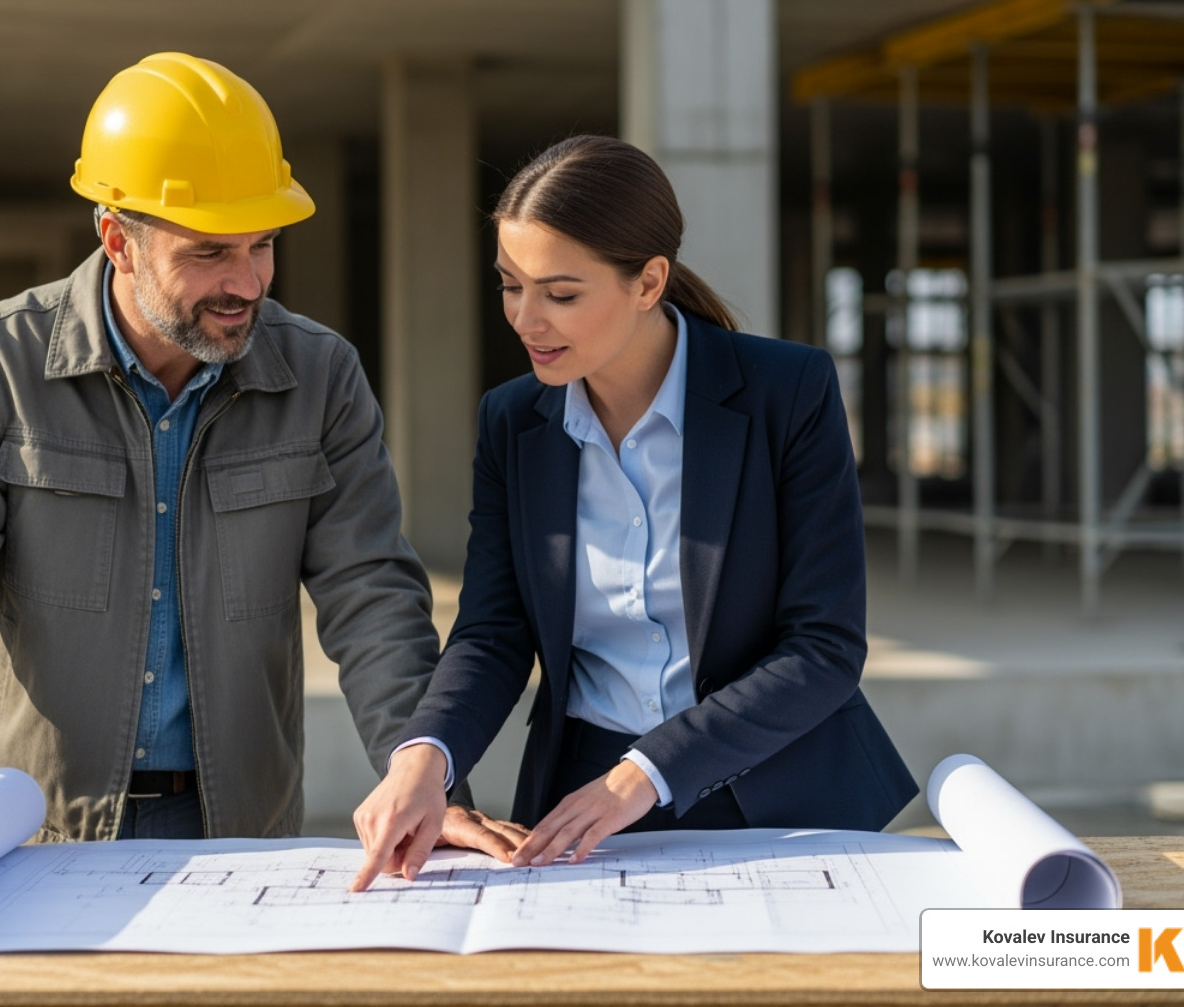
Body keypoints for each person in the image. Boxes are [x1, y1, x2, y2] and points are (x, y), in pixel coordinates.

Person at [0, 53, 515, 891]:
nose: (247, 283)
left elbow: (372, 596)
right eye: (209, 253)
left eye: (262, 245)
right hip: (30, 829)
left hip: (239, 829)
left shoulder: (322, 377)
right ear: (116, 238)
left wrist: (427, 777)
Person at [351, 135, 918, 891]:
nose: (525, 319)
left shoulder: (789, 392)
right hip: (576, 804)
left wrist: (642, 774)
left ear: (649, 282)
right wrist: (425, 756)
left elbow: (822, 648)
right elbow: (493, 631)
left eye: (560, 293)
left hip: (780, 794)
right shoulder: (512, 422)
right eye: (509, 286)